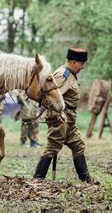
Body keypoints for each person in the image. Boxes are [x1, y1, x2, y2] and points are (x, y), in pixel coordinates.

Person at [33, 48, 96, 183]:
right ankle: (38, 179)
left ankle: (86, 180)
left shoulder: (70, 74)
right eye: (81, 64)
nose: (83, 67)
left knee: (78, 145)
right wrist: (57, 115)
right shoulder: (63, 75)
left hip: (69, 118)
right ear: (73, 62)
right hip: (60, 117)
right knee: (53, 147)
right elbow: (51, 98)